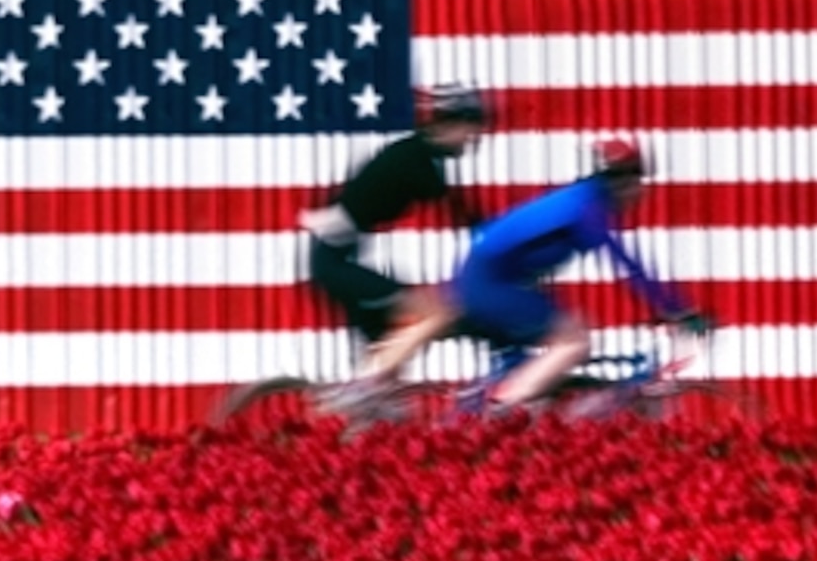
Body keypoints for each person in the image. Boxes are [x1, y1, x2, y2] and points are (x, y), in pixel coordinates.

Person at [346, 139, 714, 413]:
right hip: (491, 282)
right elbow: (629, 267)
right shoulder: (589, 207)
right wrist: (679, 311)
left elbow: (510, 245)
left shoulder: (575, 198)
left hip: (480, 273)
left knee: (484, 321)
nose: (642, 192)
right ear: (625, 182)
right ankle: (504, 407)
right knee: (574, 341)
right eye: (639, 182)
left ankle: (367, 382)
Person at [302, 86, 489, 355]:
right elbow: (464, 217)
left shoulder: (414, 154)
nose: (469, 144)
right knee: (442, 315)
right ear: (448, 125)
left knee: (385, 347)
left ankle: (371, 390)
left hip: (336, 264)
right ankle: (368, 389)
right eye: (468, 135)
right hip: (336, 268)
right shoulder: (415, 161)